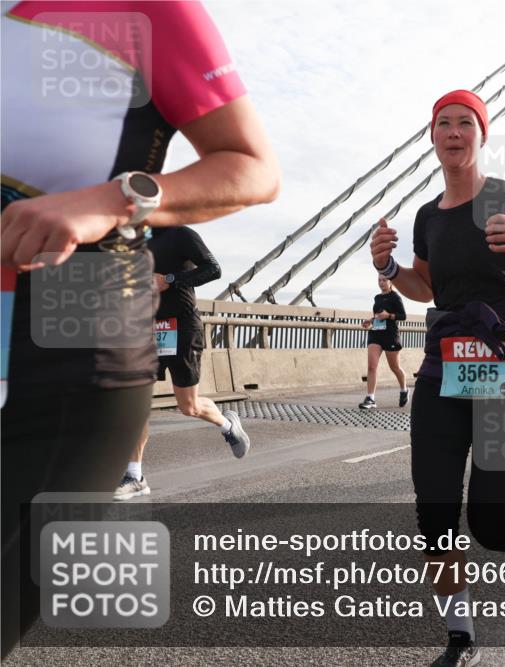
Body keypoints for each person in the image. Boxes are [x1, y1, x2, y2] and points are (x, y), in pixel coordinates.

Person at [0, 3, 280, 656]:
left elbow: (255, 171)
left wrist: (114, 205)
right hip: (136, 319)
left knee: (183, 400)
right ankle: (138, 465)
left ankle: (193, 438)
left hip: (88, 329)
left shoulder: (150, 12)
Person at [368, 89, 505, 666]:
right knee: (434, 516)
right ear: (432, 136)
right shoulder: (427, 216)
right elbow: (426, 288)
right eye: (444, 123)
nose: (454, 132)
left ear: (482, 135)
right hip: (444, 370)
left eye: (466, 123)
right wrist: (388, 267)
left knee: (490, 522)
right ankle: (460, 635)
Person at [114, 226, 251, 501]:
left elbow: (213, 269)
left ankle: (227, 424)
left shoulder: (180, 235)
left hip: (182, 327)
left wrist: (170, 279)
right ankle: (135, 476)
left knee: (188, 406)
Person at [359, 274, 409, 410]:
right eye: (379, 280)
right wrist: (370, 321)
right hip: (376, 334)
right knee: (371, 366)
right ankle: (370, 398)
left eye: (384, 280)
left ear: (390, 282)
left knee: (395, 367)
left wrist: (389, 315)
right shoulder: (377, 298)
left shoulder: (395, 297)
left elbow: (403, 316)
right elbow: (377, 316)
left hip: (390, 335)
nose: (381, 283)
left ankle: (404, 389)